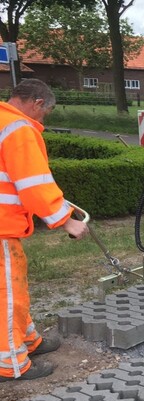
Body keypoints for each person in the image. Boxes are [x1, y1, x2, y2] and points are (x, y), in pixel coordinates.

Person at [0, 78, 89, 382]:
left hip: (4, 228)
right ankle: (10, 365)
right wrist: (67, 221)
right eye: (45, 113)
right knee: (7, 294)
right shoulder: (18, 129)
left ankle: (28, 340)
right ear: (37, 103)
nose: (43, 120)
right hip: (1, 227)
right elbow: (33, 183)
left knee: (14, 286)